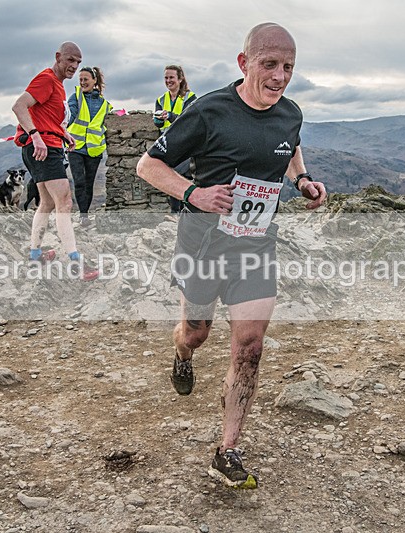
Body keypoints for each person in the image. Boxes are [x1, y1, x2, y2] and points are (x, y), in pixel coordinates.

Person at [136, 23, 327, 489]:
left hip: (256, 244)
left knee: (250, 347)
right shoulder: (209, 111)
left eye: (288, 67)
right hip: (203, 243)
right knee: (197, 333)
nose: (280, 77)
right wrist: (194, 194)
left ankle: (227, 450)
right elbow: (148, 165)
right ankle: (181, 352)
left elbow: (289, 147)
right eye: (270, 65)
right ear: (244, 63)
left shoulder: (291, 113)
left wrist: (301, 180)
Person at [12, 41, 98, 281]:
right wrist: (35, 136)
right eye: (70, 60)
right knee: (65, 202)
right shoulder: (47, 79)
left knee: (48, 203)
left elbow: (45, 117)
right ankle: (75, 263)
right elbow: (19, 106)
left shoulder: (57, 85)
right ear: (58, 56)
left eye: (78, 62)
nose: (74, 66)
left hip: (45, 146)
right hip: (43, 149)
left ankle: (35, 255)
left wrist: (63, 134)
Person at [67, 66, 112, 227]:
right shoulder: (75, 97)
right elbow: (70, 114)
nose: (82, 82)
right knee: (79, 181)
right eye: (80, 80)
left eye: (85, 79)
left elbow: (108, 122)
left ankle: (84, 214)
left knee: (89, 183)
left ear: (94, 81)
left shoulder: (104, 104)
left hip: (94, 149)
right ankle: (83, 215)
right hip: (75, 147)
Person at [153, 65, 197, 215]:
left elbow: (190, 122)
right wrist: (158, 120)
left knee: (177, 174)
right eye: (166, 78)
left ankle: (178, 211)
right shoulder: (161, 99)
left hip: (186, 145)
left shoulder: (190, 98)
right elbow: (158, 125)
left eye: (171, 77)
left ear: (180, 78)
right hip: (168, 145)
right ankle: (176, 212)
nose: (168, 80)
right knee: (172, 175)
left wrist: (170, 116)